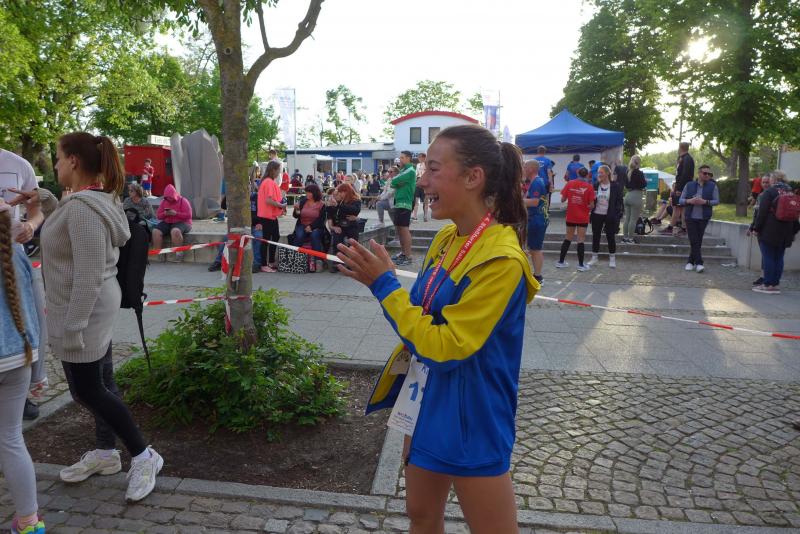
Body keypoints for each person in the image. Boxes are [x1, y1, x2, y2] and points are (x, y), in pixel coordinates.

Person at [335, 124, 537, 533]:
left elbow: (446, 346)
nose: (422, 180)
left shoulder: (501, 260)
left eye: (433, 169)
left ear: (473, 177)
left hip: (474, 417)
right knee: (421, 515)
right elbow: (421, 314)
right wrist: (388, 280)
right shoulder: (448, 237)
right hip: (426, 400)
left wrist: (384, 286)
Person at [41, 131, 163, 502]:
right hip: (90, 306)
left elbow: (89, 273)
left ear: (73, 161)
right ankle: (107, 452)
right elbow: (66, 233)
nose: (56, 165)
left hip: (85, 310)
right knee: (102, 382)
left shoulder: (83, 209)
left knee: (87, 390)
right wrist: (46, 201)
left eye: (58, 158)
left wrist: (74, 326)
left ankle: (144, 455)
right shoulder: (89, 200)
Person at [0, 197, 47, 534]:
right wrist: (39, 371)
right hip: (18, 359)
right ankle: (30, 523)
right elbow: (36, 314)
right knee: (11, 438)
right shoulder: (18, 256)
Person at [0, 148, 47, 422]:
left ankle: (25, 388)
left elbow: (36, 208)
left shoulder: (18, 164)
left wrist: (31, 226)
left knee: (29, 317)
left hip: (12, 259)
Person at [752, 170, 800, 294]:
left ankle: (767, 285)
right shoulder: (790, 191)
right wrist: (794, 230)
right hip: (786, 230)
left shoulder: (769, 192)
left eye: (771, 178)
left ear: (774, 179)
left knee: (768, 257)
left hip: (770, 230)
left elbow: (762, 213)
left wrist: (756, 228)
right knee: (779, 258)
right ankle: (775, 284)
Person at [679, 164, 719, 273]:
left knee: (698, 240)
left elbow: (716, 201)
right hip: (690, 217)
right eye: (705, 173)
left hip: (704, 217)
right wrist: (690, 201)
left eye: (709, 174)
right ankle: (699, 263)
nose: (707, 175)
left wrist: (705, 202)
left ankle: (690, 262)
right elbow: (681, 200)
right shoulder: (689, 185)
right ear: (699, 173)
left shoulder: (713, 186)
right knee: (693, 239)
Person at [557, 167, 595, 271]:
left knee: (568, 238)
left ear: (578, 173)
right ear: (587, 175)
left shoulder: (570, 183)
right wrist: (585, 205)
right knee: (580, 240)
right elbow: (592, 205)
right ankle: (581, 265)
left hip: (571, 216)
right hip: (583, 217)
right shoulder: (589, 187)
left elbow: (562, 199)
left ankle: (560, 262)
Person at [588, 165, 624, 268]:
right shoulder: (596, 185)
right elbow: (591, 199)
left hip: (610, 215)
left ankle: (612, 259)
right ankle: (594, 258)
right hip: (597, 214)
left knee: (610, 236)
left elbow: (619, 202)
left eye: (601, 172)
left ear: (607, 173)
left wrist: (616, 214)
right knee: (596, 236)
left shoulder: (615, 186)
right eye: (598, 172)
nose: (599, 174)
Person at [257, 160, 286, 273]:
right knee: (266, 240)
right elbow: (268, 200)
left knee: (274, 237)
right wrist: (281, 205)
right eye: (278, 170)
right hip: (267, 216)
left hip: (269, 215)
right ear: (273, 170)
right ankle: (265, 264)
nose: (279, 172)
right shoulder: (268, 182)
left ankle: (270, 261)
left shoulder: (266, 181)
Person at [325, 183, 361, 273]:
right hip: (340, 225)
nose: (340, 194)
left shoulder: (356, 200)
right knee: (337, 240)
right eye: (339, 192)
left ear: (346, 192)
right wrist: (330, 205)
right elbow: (331, 213)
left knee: (353, 242)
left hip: (351, 225)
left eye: (341, 192)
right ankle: (337, 263)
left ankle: (352, 263)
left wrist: (338, 206)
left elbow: (354, 210)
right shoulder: (340, 200)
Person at [152, 184, 192, 262]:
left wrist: (176, 213)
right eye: (167, 197)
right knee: (155, 231)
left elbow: (189, 215)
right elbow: (158, 216)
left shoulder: (183, 200)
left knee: (175, 231)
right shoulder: (164, 202)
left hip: (182, 222)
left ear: (174, 195)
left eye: (170, 197)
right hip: (168, 221)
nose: (169, 199)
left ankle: (179, 254)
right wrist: (165, 214)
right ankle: (159, 255)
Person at [523, 159, 548, 284]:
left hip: (537, 219)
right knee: (533, 248)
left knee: (535, 249)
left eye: (525, 167)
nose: (523, 169)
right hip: (534, 218)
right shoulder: (534, 182)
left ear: (531, 169)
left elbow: (534, 202)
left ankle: (538, 277)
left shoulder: (537, 182)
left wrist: (515, 200)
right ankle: (535, 275)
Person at [390, 151, 416, 266]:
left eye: (402, 157)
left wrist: (397, 182)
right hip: (399, 202)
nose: (400, 159)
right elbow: (392, 183)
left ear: (409, 158)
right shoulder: (403, 170)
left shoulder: (410, 170)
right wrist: (397, 181)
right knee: (399, 229)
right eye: (400, 157)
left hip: (405, 202)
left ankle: (408, 256)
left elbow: (394, 180)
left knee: (404, 229)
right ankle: (403, 253)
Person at [663, 141, 694, 236]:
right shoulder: (685, 158)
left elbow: (685, 175)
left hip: (683, 188)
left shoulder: (686, 159)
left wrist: (679, 189)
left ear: (680, 148)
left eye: (678, 147)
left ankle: (671, 228)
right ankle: (683, 228)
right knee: (681, 208)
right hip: (683, 187)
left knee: (677, 208)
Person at [292, 184, 326, 272]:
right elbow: (296, 216)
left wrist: (311, 226)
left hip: (317, 226)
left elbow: (321, 220)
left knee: (315, 235)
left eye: (309, 192)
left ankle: (318, 261)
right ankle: (295, 258)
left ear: (314, 193)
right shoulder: (303, 201)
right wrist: (296, 210)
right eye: (306, 192)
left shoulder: (321, 204)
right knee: (299, 235)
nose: (306, 194)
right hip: (302, 224)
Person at [748, 173, 772, 286]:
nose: (765, 184)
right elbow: (756, 214)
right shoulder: (761, 195)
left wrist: (755, 228)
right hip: (762, 227)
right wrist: (751, 227)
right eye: (763, 182)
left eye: (767, 182)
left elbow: (760, 214)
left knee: (767, 254)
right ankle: (764, 276)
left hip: (764, 228)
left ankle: (766, 277)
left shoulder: (766, 195)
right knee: (766, 254)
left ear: (772, 182)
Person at [621, 155, 646, 243]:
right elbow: (643, 185)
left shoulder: (627, 172)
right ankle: (630, 239)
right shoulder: (639, 173)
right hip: (636, 196)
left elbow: (626, 185)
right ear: (639, 163)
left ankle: (625, 238)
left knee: (627, 218)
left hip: (627, 196)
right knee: (633, 219)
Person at [412, 153, 429, 222]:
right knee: (416, 200)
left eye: (420, 157)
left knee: (426, 201)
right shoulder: (418, 165)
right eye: (418, 157)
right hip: (418, 182)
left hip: (425, 183)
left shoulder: (427, 164)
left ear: (424, 157)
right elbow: (416, 174)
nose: (418, 158)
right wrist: (415, 181)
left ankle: (425, 216)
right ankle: (415, 216)